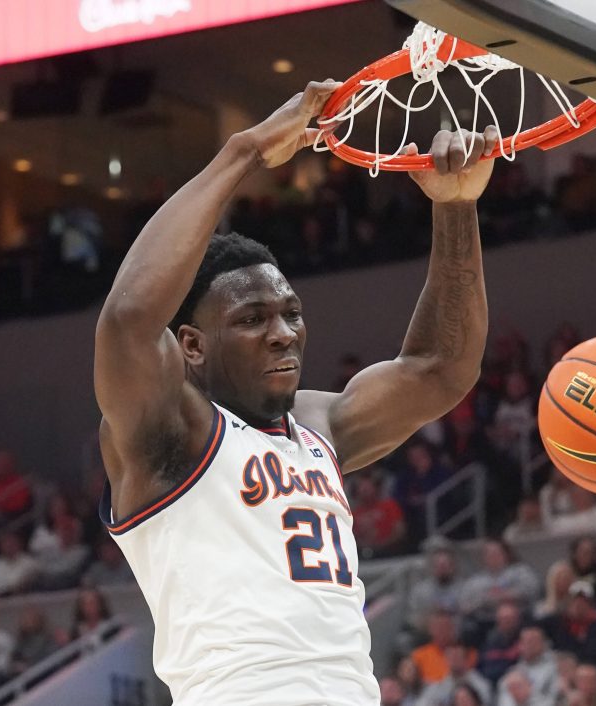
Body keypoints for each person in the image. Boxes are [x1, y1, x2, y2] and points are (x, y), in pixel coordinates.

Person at [94, 79, 496, 705]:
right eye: (252, 319)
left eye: (290, 313)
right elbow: (127, 322)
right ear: (192, 346)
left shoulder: (320, 425)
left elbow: (440, 368)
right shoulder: (170, 430)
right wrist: (245, 153)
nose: (283, 334)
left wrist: (455, 208)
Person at [418, 643, 493, 706]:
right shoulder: (439, 685)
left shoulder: (480, 684)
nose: (454, 661)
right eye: (450, 657)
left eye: (457, 657)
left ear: (465, 659)